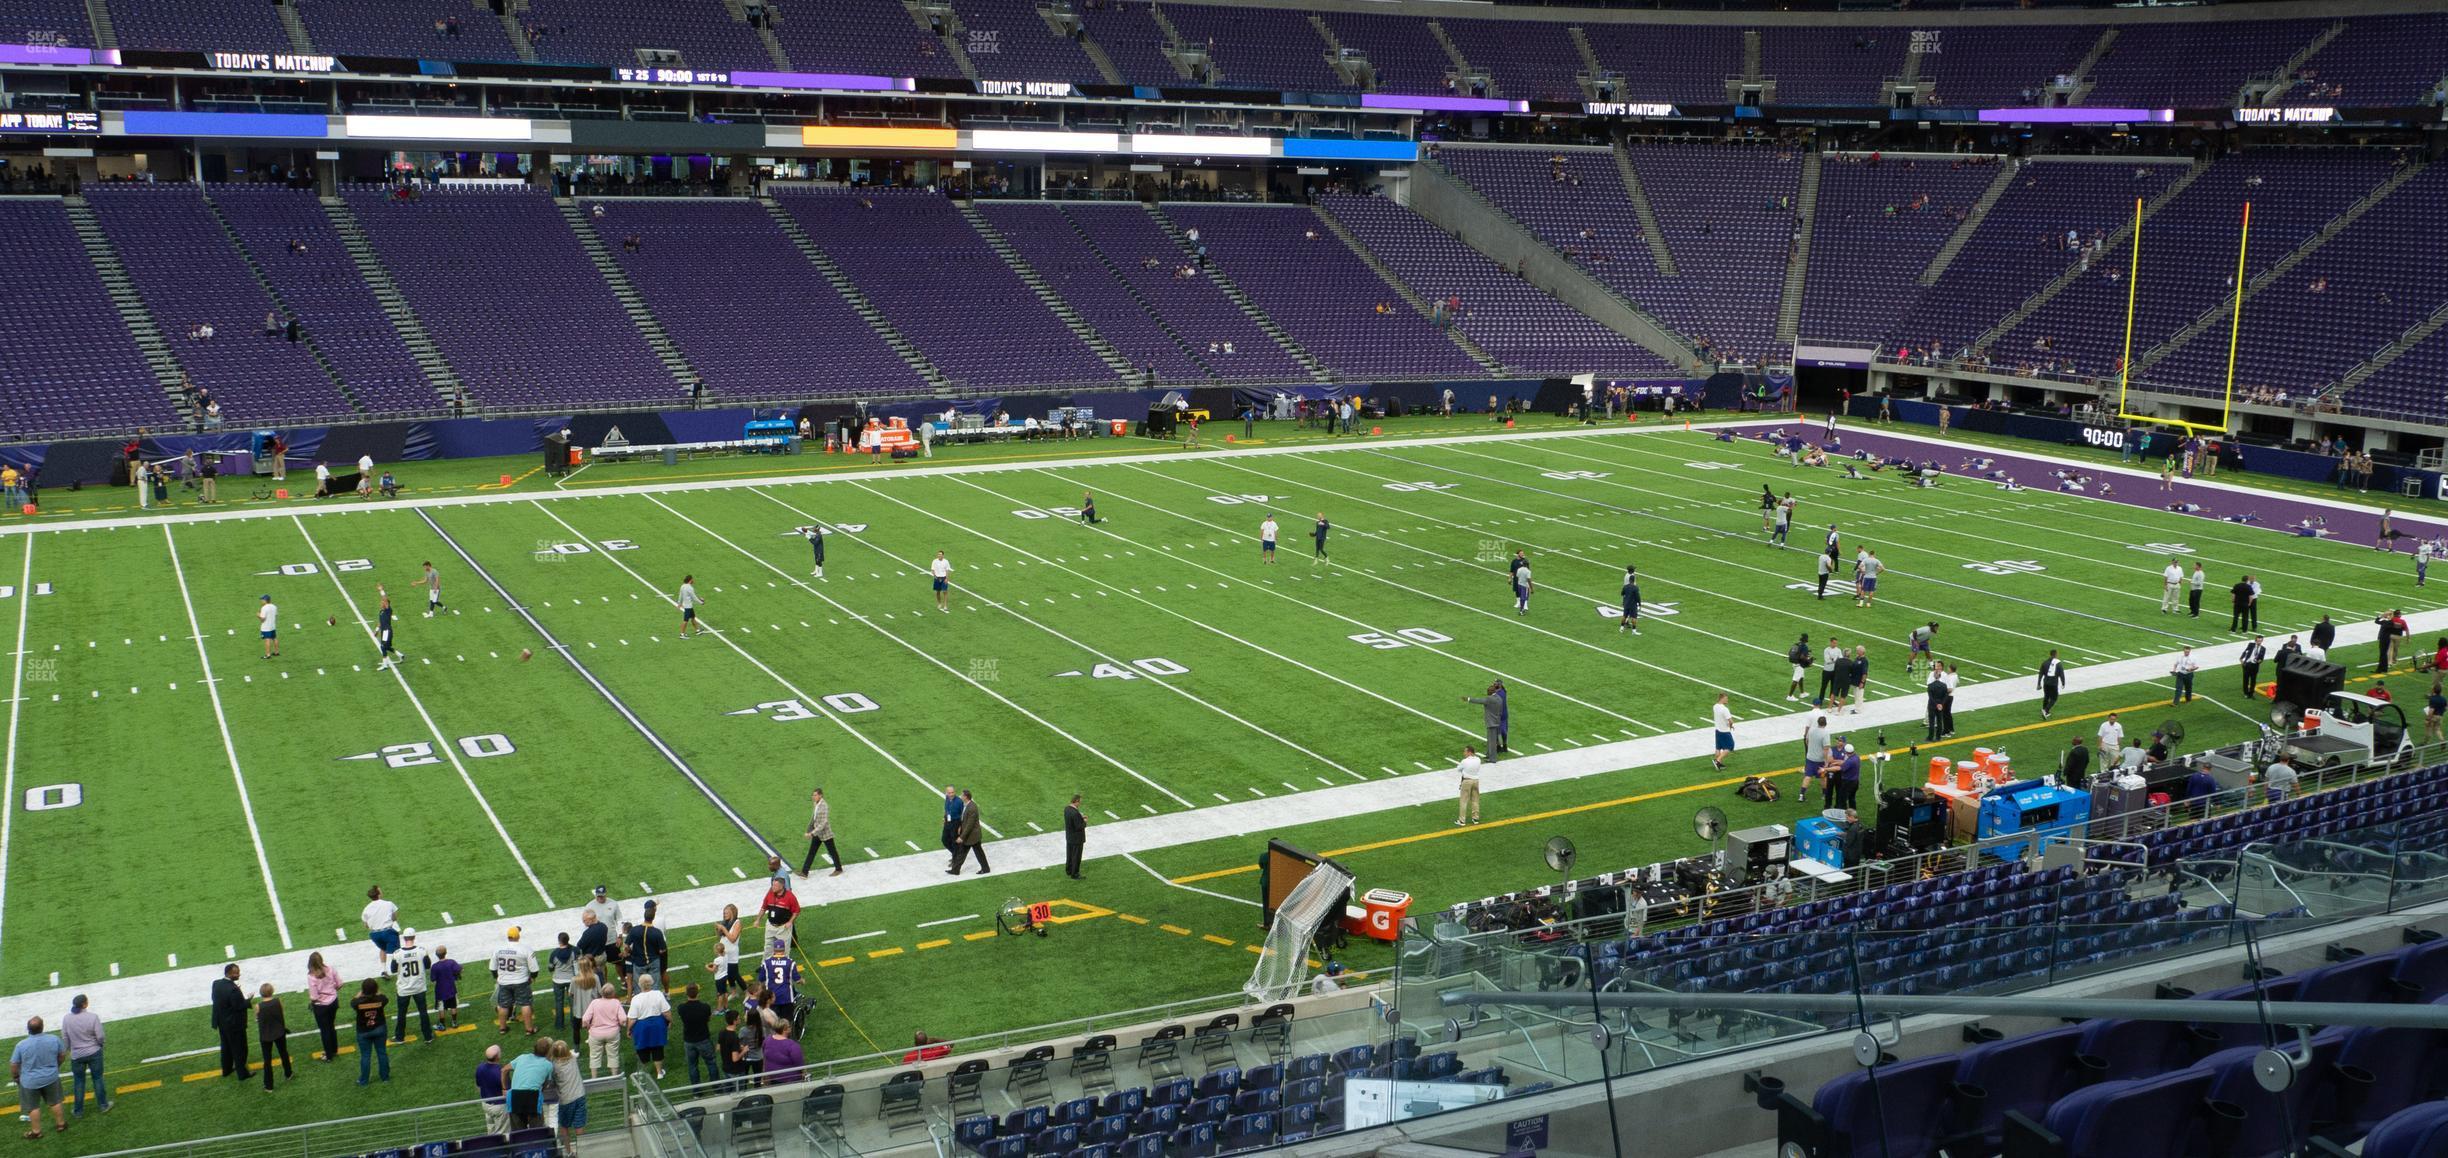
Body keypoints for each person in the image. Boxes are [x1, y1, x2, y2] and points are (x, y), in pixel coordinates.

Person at [12, 1017, 68, 1138]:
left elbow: (14, 1064)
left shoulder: (21, 1045)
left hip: (29, 1081)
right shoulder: (54, 1039)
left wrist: (16, 1076)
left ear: (28, 1029)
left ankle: (36, 1132)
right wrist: (56, 1066)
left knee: (32, 1107)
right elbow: (62, 1055)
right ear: (42, 1027)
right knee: (55, 1102)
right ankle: (61, 1124)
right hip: (50, 1077)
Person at [61, 996, 105, 1117]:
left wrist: (70, 1049)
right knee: (98, 1078)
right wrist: (99, 1045)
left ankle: (78, 1111)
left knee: (79, 1082)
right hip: (94, 1052)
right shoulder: (93, 1017)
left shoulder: (67, 1019)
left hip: (77, 1055)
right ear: (85, 1004)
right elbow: (100, 1036)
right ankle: (103, 1105)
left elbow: (65, 1037)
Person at [388, 928, 433, 1042]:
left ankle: (399, 1037)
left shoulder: (397, 953)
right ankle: (428, 1036)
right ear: (414, 937)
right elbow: (428, 966)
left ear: (404, 938)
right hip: (419, 986)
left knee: (401, 1013)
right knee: (423, 1012)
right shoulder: (422, 951)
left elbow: (393, 970)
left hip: (403, 988)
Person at [625, 974, 671, 1081]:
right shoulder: (658, 994)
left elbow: (632, 1018)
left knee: (642, 1048)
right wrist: (670, 1021)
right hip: (657, 1024)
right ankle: (659, 1072)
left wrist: (628, 1029)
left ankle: (643, 1072)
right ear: (651, 983)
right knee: (657, 1047)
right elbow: (666, 1012)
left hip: (642, 1026)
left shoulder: (636, 998)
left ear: (639, 984)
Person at [211, 964, 253, 1081]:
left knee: (226, 1047)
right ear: (229, 973)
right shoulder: (233, 989)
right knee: (240, 1049)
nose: (239, 974)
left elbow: (218, 1000)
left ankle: (226, 1069)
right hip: (234, 1025)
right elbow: (239, 1006)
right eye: (236, 973)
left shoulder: (216, 983)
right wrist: (248, 1000)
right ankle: (242, 1073)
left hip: (221, 1022)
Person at [493, 926, 537, 1036]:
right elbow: (534, 969)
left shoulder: (498, 949)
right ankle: (529, 1029)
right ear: (518, 936)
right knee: (525, 1004)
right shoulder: (525, 949)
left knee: (503, 1005)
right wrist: (532, 977)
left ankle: (502, 1028)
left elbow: (492, 968)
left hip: (504, 981)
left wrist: (499, 977)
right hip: (521, 981)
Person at [505, 1039, 554, 1129]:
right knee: (536, 1131)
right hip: (533, 1096)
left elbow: (504, 1070)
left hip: (515, 1095)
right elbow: (545, 1084)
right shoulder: (548, 1065)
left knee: (518, 1132)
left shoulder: (522, 1057)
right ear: (548, 1051)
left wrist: (505, 1089)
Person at [579, 983, 626, 1078]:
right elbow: (623, 1019)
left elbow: (584, 1019)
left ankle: (594, 1078)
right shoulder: (616, 1002)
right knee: (613, 1055)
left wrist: (587, 1027)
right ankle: (614, 1076)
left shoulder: (595, 1002)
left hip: (596, 1034)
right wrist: (621, 1025)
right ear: (613, 993)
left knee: (594, 1055)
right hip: (612, 1033)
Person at [351, 979, 391, 1085]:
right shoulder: (380, 1000)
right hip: (379, 1029)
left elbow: (353, 1001)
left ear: (363, 990)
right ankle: (385, 1077)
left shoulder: (357, 1003)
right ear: (376, 989)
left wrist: (360, 994)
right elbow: (385, 998)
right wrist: (377, 991)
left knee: (365, 1056)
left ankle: (364, 1080)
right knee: (382, 1053)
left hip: (363, 1031)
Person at [676, 983, 717, 1086]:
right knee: (711, 1063)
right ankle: (717, 1088)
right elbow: (708, 1019)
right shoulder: (705, 1007)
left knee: (692, 1066)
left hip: (689, 1041)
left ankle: (697, 1092)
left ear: (686, 993)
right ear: (698, 993)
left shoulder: (681, 1008)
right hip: (704, 1039)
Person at [550, 1040, 588, 1143]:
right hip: (580, 1096)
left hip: (565, 1100)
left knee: (564, 1127)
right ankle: (583, 1151)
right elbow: (571, 1052)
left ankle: (569, 1152)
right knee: (579, 1125)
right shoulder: (573, 1058)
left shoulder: (553, 1066)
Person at [256, 983, 292, 1089]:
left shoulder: (258, 1006)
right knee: (283, 1053)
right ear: (272, 991)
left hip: (265, 1036)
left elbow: (258, 1019)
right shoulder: (278, 1001)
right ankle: (288, 1073)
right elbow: (281, 1014)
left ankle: (268, 1085)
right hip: (279, 1032)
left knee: (267, 1061)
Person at [758, 942, 803, 1027]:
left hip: (771, 998)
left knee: (773, 1022)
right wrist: (802, 981)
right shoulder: (790, 962)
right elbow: (797, 979)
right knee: (786, 1022)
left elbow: (761, 979)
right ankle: (785, 1038)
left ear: (774, 950)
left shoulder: (766, 963)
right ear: (784, 949)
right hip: (787, 997)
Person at [801, 787, 841, 877]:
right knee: (812, 852)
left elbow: (823, 823)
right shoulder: (816, 804)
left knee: (832, 851)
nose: (813, 797)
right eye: (813, 795)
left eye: (815, 795)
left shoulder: (824, 806)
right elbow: (814, 818)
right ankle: (804, 872)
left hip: (825, 834)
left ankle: (838, 869)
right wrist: (809, 830)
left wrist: (811, 833)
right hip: (817, 833)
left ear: (820, 795)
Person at [711, 904, 744, 1010]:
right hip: (724, 953)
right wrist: (718, 929)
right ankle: (734, 992)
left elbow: (733, 938)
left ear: (732, 913)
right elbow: (719, 936)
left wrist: (723, 928)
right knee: (728, 974)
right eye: (724, 912)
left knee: (735, 974)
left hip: (732, 953)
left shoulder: (737, 923)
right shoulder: (725, 922)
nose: (724, 914)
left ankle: (747, 992)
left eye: (726, 912)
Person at [1465, 681, 1508, 756]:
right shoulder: (1499, 696)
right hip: (1498, 719)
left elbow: (1479, 701)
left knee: (1496, 737)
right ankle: (1496, 749)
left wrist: (1468, 699)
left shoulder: (1492, 698)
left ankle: (1495, 754)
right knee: (1495, 736)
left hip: (1495, 720)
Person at [951, 789, 988, 874]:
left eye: (962, 795)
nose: (960, 796)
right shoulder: (967, 805)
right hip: (970, 836)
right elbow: (965, 821)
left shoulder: (972, 808)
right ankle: (955, 870)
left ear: (966, 797)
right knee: (963, 853)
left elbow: (969, 825)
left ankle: (985, 869)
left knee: (978, 853)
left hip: (972, 837)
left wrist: (961, 837)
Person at [761, 874, 801, 951]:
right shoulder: (770, 893)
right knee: (768, 948)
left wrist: (790, 922)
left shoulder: (790, 896)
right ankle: (765, 963)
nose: (772, 887)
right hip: (770, 925)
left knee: (784, 950)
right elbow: (763, 907)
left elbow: (796, 911)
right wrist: (758, 920)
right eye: (772, 885)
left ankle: (783, 963)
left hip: (783, 927)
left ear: (781, 886)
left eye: (775, 886)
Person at [474, 1046, 508, 1135]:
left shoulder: (480, 1067)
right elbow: (508, 1091)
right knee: (502, 1132)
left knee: (491, 1129)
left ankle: (491, 1145)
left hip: (486, 1104)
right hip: (499, 1106)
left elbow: (478, 1086)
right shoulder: (502, 1071)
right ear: (497, 1057)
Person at [1452, 745, 1484, 827]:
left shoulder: (1464, 761)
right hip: (1476, 781)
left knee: (1463, 801)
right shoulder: (1478, 759)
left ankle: (1462, 820)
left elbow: (1458, 769)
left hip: (1467, 781)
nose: (1464, 753)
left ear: (1469, 752)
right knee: (1475, 800)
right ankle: (1475, 818)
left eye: (1465, 751)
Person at [1063, 794, 1088, 877]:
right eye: (1079, 802)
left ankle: (1069, 870)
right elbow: (1079, 826)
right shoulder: (1075, 813)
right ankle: (1075, 873)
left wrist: (1079, 817)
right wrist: (1084, 821)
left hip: (1069, 837)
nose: (1080, 804)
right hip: (1077, 839)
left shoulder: (1067, 809)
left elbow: (1072, 821)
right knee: (1076, 857)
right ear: (1076, 801)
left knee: (1069, 855)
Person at [2037, 649, 2067, 719]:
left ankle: (2044, 710)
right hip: (2053, 683)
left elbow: (2040, 673)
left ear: (2050, 654)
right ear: (2056, 654)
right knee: (2054, 698)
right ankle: (2046, 710)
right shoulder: (2058, 664)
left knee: (2046, 696)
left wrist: (2039, 683)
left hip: (2046, 683)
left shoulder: (2044, 663)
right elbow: (2061, 674)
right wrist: (2063, 683)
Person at [1710, 692, 1736, 771]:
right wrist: (1731, 726)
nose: (1727, 700)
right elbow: (1731, 721)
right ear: (1722, 698)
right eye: (1726, 698)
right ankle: (1718, 761)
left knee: (1718, 747)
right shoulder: (1725, 709)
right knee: (1730, 746)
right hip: (1724, 731)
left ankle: (1718, 764)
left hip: (1717, 730)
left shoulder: (1715, 706)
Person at [1619, 565, 1641, 636]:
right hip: (1630, 596)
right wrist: (1639, 603)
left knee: (1625, 613)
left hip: (1627, 596)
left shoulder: (1628, 575)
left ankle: (1623, 626)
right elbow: (1636, 595)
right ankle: (1633, 630)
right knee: (1634, 616)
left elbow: (1622, 593)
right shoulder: (1629, 577)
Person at [259, 594, 282, 661]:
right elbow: (276, 615)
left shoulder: (264, 608)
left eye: (262, 600)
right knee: (274, 638)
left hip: (266, 627)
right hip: (272, 626)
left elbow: (262, 619)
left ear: (265, 600)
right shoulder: (274, 606)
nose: (261, 601)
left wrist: (258, 615)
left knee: (267, 640)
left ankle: (268, 655)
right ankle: (276, 652)